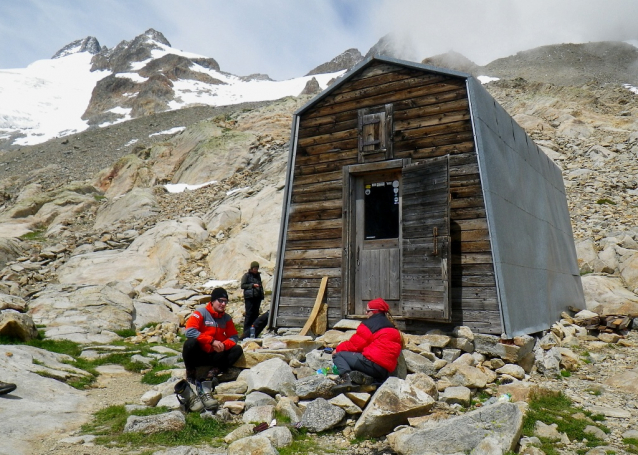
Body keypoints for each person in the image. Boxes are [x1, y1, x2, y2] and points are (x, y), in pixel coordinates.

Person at [331, 298, 403, 393]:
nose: (365, 313)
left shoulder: (369, 324)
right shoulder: (392, 328)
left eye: (368, 311)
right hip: (384, 371)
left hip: (371, 364)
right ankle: (371, 380)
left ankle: (347, 379)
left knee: (339, 356)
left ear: (374, 312)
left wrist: (337, 349)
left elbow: (355, 345)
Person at [182, 287, 243, 382]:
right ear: (213, 301)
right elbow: (189, 331)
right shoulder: (201, 313)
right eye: (220, 301)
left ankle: (214, 371)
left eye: (225, 302)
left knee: (237, 349)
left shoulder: (226, 318)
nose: (223, 304)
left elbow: (234, 337)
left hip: (216, 354)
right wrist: (212, 341)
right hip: (200, 353)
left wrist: (224, 345)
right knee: (190, 343)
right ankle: (191, 372)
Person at [240, 261, 264, 336]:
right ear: (251, 268)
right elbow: (243, 285)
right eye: (255, 268)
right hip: (249, 297)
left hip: (257, 297)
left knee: (255, 314)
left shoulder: (258, 276)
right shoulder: (246, 276)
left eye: (257, 268)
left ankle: (254, 332)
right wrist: (252, 285)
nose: (256, 270)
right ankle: (246, 332)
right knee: (249, 314)